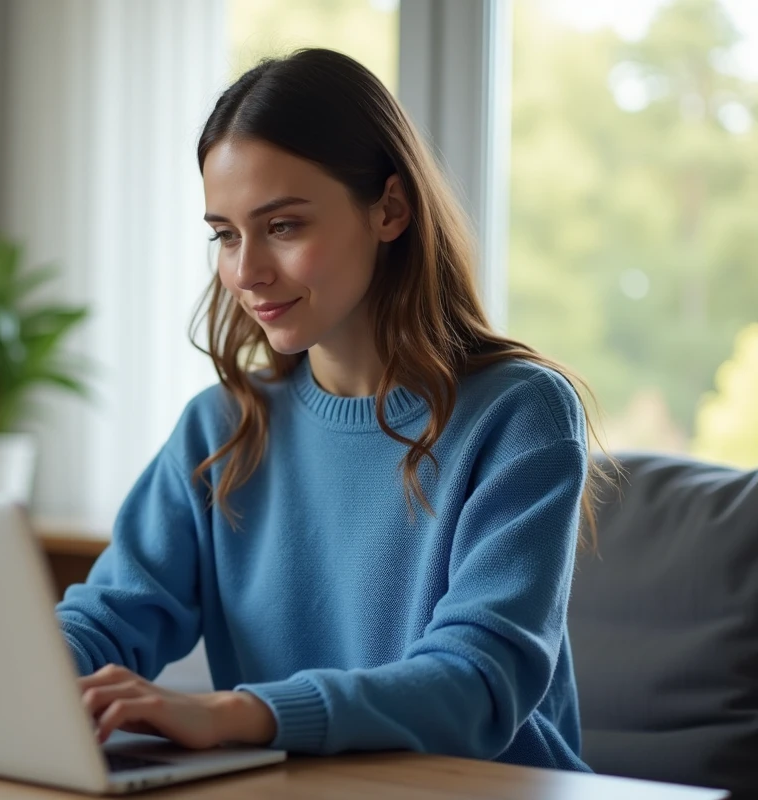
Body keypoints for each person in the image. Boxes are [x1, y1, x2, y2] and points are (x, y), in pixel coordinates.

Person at [56, 47, 605, 772]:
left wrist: (235, 713)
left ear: (390, 209)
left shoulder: (519, 415)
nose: (244, 272)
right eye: (224, 234)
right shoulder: (221, 426)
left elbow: (477, 682)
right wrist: (15, 676)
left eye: (282, 226)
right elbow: (109, 617)